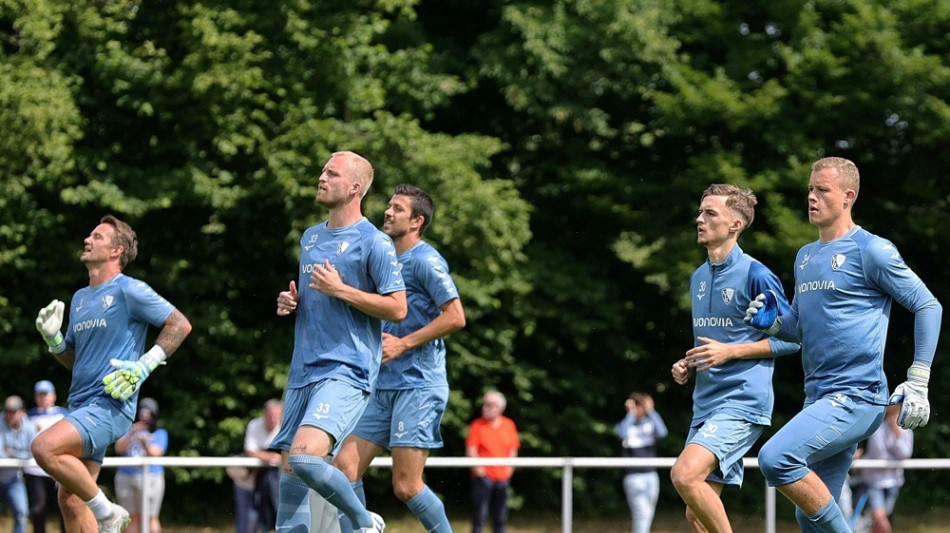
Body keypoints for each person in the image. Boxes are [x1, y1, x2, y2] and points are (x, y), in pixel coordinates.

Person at [746, 157, 942, 532]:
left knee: (775, 458)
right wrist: (772, 323)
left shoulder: (872, 250)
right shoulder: (805, 256)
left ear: (848, 197)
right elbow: (800, 328)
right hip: (818, 397)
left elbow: (928, 305)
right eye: (810, 189)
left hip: (858, 396)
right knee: (809, 518)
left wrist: (919, 379)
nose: (812, 197)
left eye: (822, 190)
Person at [31, 214, 193, 533]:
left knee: (43, 447)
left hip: (110, 405)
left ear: (117, 251)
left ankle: (108, 513)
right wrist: (54, 340)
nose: (87, 240)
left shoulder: (130, 290)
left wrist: (145, 365)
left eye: (97, 237)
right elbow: (73, 359)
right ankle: (102, 512)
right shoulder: (79, 298)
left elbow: (180, 324)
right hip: (81, 406)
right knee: (71, 499)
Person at [273, 150, 407, 533]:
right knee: (290, 489)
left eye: (331, 173)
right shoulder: (310, 237)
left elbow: (398, 309)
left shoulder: (374, 242)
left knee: (305, 460)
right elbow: (322, 298)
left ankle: (365, 522)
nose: (321, 177)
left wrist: (342, 290)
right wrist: (293, 303)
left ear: (355, 188)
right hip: (302, 372)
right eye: (322, 171)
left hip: (346, 370)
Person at [334, 184, 466, 533]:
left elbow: (455, 317)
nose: (387, 212)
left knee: (406, 486)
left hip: (418, 386)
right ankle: (365, 527)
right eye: (388, 206)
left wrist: (404, 344)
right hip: (382, 384)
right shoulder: (384, 258)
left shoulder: (426, 260)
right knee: (341, 471)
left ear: (417, 221)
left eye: (397, 209)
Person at [669, 183, 800, 533]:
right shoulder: (698, 277)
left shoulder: (756, 274)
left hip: (742, 401)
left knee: (684, 474)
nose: (699, 219)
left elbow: (794, 340)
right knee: (696, 514)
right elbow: (715, 341)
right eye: (700, 211)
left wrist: (730, 352)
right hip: (706, 403)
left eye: (710, 213)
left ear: (734, 225)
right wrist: (688, 364)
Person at [466, 390, 520, 533]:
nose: (485, 407)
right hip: (484, 478)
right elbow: (471, 450)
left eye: (490, 404)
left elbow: (513, 449)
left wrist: (509, 470)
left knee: (501, 517)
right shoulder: (477, 425)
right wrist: (480, 472)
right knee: (480, 517)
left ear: (499, 407)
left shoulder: (509, 425)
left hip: (503, 478)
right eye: (485, 404)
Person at [614, 392, 668, 533]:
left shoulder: (650, 423)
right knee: (642, 514)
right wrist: (631, 413)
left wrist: (651, 411)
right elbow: (622, 434)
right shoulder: (625, 424)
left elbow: (662, 432)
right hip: (633, 476)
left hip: (651, 475)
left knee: (648, 514)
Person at [855, 403, 913, 533]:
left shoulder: (907, 432)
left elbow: (905, 454)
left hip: (894, 481)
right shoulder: (878, 430)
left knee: (879, 520)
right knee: (880, 518)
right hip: (874, 481)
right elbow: (879, 454)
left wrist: (897, 435)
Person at [114, 397, 168, 533]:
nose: (144, 417)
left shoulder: (160, 433)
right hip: (126, 476)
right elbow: (119, 449)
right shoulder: (130, 430)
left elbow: (156, 453)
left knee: (150, 517)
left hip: (151, 477)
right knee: (132, 518)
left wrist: (145, 443)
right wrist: (132, 432)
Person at [24, 380, 68, 533]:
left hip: (59, 469)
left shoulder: (64, 414)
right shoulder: (27, 417)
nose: (43, 398)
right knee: (38, 510)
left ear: (53, 396)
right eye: (40, 395)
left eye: (46, 395)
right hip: (35, 470)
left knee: (64, 508)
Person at [244, 399, 282, 533]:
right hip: (255, 476)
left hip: (277, 476)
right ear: (264, 414)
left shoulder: (285, 426)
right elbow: (249, 451)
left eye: (276, 416)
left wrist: (261, 455)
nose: (273, 419)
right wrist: (272, 457)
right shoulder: (254, 425)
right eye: (270, 415)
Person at [0, 396, 36, 533]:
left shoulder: (29, 427)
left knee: (22, 514)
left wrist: (11, 452)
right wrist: (20, 454)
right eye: (8, 410)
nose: (10, 414)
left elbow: (32, 453)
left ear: (22, 411)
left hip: (14, 479)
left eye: (14, 411)